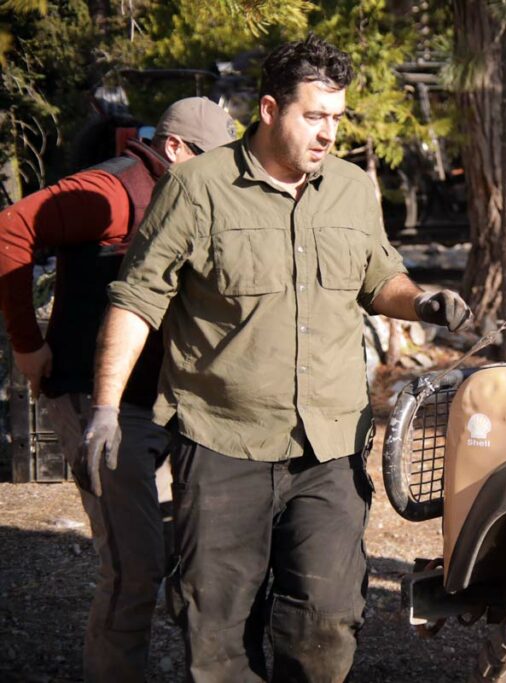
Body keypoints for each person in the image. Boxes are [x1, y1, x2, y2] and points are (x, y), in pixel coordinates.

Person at [86, 36, 472, 681]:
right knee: (217, 624)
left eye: (337, 118)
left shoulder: (350, 189)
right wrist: (104, 409)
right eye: (313, 116)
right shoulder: (195, 187)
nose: (327, 133)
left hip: (329, 445)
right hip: (221, 442)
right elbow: (137, 302)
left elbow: (380, 279)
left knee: (326, 616)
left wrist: (424, 302)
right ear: (269, 109)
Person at [0, 97, 238, 681]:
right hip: (97, 397)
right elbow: (10, 229)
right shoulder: (110, 191)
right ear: (176, 150)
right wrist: (27, 345)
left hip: (168, 400)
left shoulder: (196, 193)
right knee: (135, 565)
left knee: (203, 556)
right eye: (213, 160)